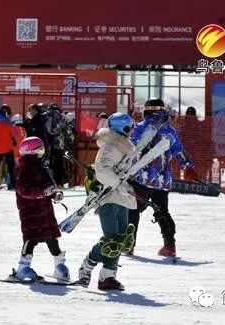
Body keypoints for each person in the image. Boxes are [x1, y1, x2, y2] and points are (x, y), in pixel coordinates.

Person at [128, 98, 197, 257]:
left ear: (146, 111)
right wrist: (188, 167)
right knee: (162, 211)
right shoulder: (170, 130)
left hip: (141, 179)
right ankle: (169, 246)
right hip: (162, 181)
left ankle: (129, 244)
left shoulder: (140, 128)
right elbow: (178, 151)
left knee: (132, 210)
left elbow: (131, 148)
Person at [77, 113, 136, 291]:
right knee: (112, 239)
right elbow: (103, 172)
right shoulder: (111, 146)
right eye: (130, 127)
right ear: (124, 128)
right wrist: (120, 184)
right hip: (109, 198)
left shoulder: (123, 147)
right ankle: (88, 264)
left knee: (122, 238)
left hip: (123, 197)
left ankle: (108, 277)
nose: (132, 130)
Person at [13, 136, 68, 281]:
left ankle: (60, 266)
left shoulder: (42, 167)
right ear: (31, 152)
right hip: (30, 210)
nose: (43, 152)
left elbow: (50, 185)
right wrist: (43, 193)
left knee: (52, 237)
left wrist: (55, 194)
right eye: (40, 149)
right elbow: (23, 190)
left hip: (45, 210)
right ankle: (23, 268)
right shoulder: (24, 168)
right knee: (31, 238)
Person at [45, 103, 68, 186]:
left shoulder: (47, 115)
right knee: (59, 164)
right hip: (59, 144)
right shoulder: (62, 116)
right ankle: (59, 183)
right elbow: (66, 129)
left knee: (48, 164)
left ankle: (50, 183)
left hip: (48, 144)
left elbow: (49, 129)